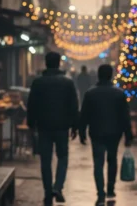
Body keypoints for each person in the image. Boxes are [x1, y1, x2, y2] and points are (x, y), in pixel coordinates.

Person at [27, 52, 79, 206]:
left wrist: (31, 124)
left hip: (44, 127)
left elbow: (32, 105)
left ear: (46, 63)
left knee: (46, 160)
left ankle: (47, 191)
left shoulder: (38, 82)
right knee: (62, 157)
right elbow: (74, 106)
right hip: (62, 127)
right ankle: (58, 187)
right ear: (59, 64)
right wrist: (75, 126)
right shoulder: (67, 83)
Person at [79, 64, 133, 205]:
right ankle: (110, 188)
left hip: (96, 132)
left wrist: (81, 131)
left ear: (98, 75)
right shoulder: (119, 93)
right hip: (114, 133)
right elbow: (125, 116)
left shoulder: (90, 93)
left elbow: (84, 114)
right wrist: (128, 135)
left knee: (98, 163)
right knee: (112, 159)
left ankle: (100, 193)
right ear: (111, 75)